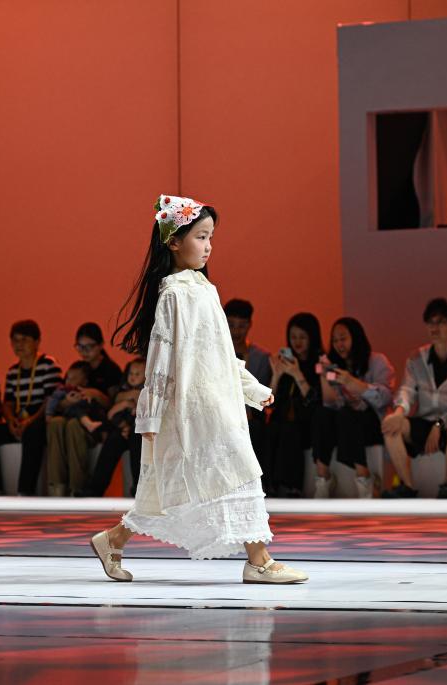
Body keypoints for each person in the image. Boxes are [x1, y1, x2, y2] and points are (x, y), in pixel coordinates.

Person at [90, 194, 307, 584]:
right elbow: (160, 358)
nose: (208, 246)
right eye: (201, 237)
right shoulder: (173, 293)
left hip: (217, 402)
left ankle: (114, 540)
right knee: (227, 471)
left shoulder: (205, 288)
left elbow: (220, 353)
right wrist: (150, 415)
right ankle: (258, 561)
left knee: (211, 476)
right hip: (192, 406)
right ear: (174, 242)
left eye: (210, 238)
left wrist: (253, 388)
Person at [381, 298, 447, 499]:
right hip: (426, 422)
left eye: (441, 322)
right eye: (430, 322)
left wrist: (440, 423)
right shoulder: (416, 357)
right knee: (391, 423)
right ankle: (407, 486)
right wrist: (399, 412)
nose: (434, 328)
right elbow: (407, 390)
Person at [0, 320, 62, 496]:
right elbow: (8, 402)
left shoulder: (49, 365)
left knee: (33, 432)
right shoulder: (13, 371)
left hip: (40, 420)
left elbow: (51, 401)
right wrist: (11, 421)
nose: (19, 345)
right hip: (19, 420)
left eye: (24, 340)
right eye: (15, 340)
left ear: (37, 342)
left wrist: (30, 421)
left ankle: (25, 490)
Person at [311, 317, 395, 498]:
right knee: (322, 414)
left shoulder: (377, 361)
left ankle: (364, 477)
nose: (339, 345)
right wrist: (324, 377)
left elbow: (385, 398)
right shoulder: (335, 367)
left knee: (346, 415)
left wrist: (354, 384)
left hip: (374, 422)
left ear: (356, 337)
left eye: (343, 339)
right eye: (335, 340)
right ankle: (323, 478)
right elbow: (330, 403)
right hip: (345, 423)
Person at [46, 323, 123, 497]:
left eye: (89, 347)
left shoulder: (110, 370)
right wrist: (66, 402)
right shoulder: (78, 367)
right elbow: (61, 395)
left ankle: (77, 486)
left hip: (97, 422)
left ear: (101, 345)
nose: (84, 352)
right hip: (72, 413)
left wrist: (95, 394)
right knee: (55, 423)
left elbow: (113, 404)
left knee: (74, 426)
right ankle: (57, 486)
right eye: (80, 347)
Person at [264, 313, 323, 498]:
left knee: (290, 430)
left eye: (302, 337)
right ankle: (269, 486)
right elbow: (269, 404)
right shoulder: (285, 362)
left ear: (312, 338)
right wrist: (276, 375)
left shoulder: (320, 363)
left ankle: (291, 487)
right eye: (293, 337)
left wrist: (297, 374)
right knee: (269, 429)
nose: (297, 342)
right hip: (283, 418)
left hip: (308, 422)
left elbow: (315, 401)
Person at [77, 357, 146, 498]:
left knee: (137, 445)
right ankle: (94, 489)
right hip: (121, 428)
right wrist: (125, 404)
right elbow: (114, 406)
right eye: (131, 373)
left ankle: (140, 488)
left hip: (141, 430)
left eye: (137, 374)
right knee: (112, 442)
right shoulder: (124, 387)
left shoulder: (149, 389)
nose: (133, 377)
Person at [225, 299, 272, 474]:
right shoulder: (216, 353)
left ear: (250, 325)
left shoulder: (261, 357)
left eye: (242, 326)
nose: (236, 331)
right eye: (231, 325)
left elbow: (263, 396)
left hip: (251, 418)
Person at [46, 362, 105, 432]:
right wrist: (49, 414)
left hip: (87, 411)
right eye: (68, 378)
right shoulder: (63, 390)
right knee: (76, 408)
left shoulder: (87, 390)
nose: (69, 381)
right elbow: (53, 400)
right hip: (71, 411)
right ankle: (88, 423)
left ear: (84, 382)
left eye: (74, 379)